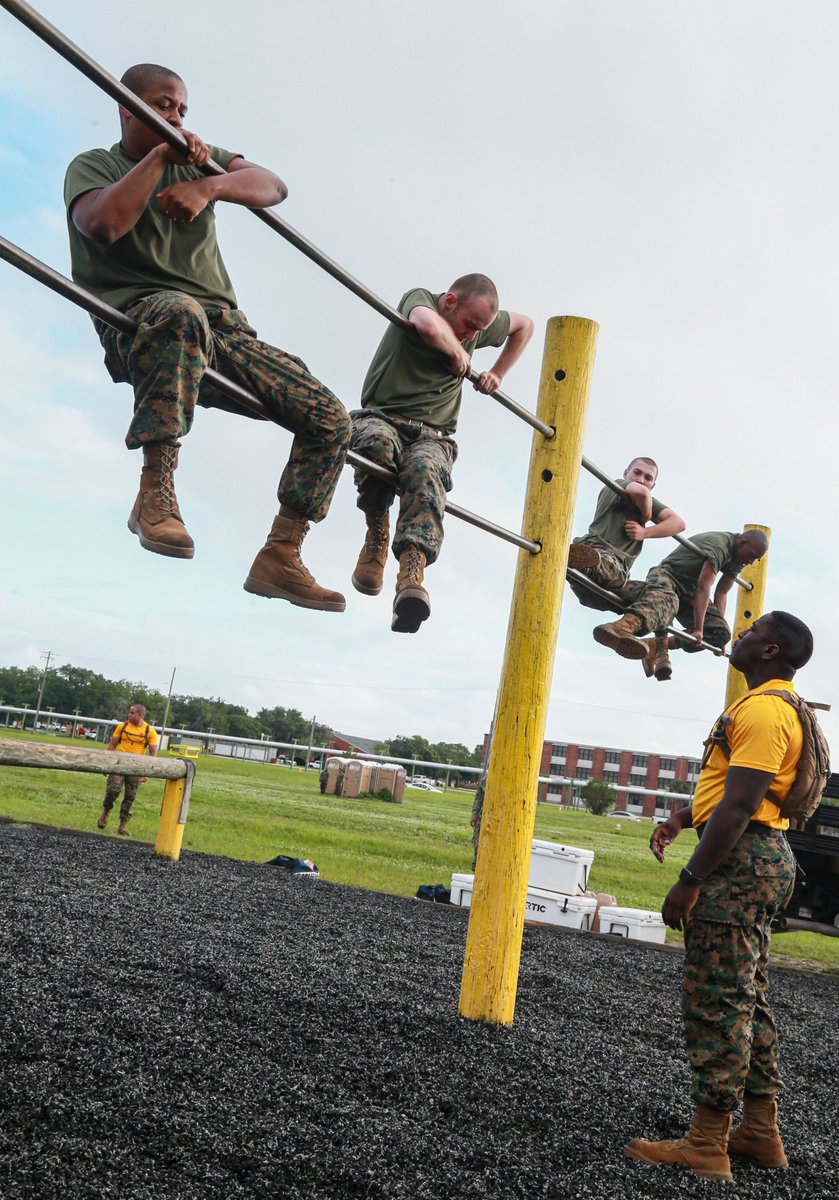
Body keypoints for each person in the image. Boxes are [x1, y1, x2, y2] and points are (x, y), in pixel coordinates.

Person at [64, 64, 350, 612]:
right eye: (163, 105)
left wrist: (209, 185)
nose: (175, 118)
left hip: (223, 332)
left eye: (181, 110)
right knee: (181, 310)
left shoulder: (200, 158)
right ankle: (155, 491)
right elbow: (103, 225)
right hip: (144, 320)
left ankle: (281, 554)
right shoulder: (95, 165)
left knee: (332, 417)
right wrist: (159, 161)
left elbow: (273, 185)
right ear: (128, 108)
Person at [625, 611, 812, 1182]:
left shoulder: (760, 710)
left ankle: (708, 1143)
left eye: (753, 633)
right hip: (761, 854)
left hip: (739, 861)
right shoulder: (783, 707)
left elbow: (740, 805)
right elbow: (733, 791)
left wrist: (691, 879)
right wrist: (683, 816)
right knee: (747, 997)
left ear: (771, 651)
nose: (742, 636)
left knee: (718, 1002)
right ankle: (759, 1130)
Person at [349, 275, 534, 632]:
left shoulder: (478, 327)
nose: (471, 335)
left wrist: (498, 371)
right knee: (376, 445)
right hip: (382, 416)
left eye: (479, 330)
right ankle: (376, 533)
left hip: (434, 435)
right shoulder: (420, 297)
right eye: (468, 325)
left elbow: (525, 326)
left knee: (425, 470)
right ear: (449, 301)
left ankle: (411, 574)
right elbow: (425, 324)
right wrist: (454, 350)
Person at [592, 528, 769, 681]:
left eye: (757, 559)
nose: (752, 562)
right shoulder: (720, 545)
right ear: (742, 542)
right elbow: (704, 586)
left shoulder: (739, 558)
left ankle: (655, 645)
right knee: (665, 600)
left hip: (689, 589)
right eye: (753, 556)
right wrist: (698, 628)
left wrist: (716, 638)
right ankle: (622, 623)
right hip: (668, 575)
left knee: (720, 633)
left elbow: (721, 593)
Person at [568, 457, 685, 675]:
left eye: (648, 478)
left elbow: (679, 523)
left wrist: (646, 532)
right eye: (637, 473)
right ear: (626, 473)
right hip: (597, 552)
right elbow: (639, 493)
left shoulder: (645, 495)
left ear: (654, 484)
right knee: (605, 563)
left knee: (668, 598)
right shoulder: (619, 487)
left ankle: (622, 628)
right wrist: (648, 515)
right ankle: (581, 560)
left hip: (611, 583)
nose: (641, 480)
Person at [97, 703, 160, 836]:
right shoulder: (122, 726)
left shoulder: (150, 731)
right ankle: (106, 812)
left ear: (141, 715)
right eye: (129, 712)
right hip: (119, 764)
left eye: (132, 713)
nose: (129, 715)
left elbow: (153, 753)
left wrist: (148, 772)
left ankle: (123, 825)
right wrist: (108, 763)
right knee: (112, 790)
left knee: (130, 797)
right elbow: (112, 744)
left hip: (136, 768)